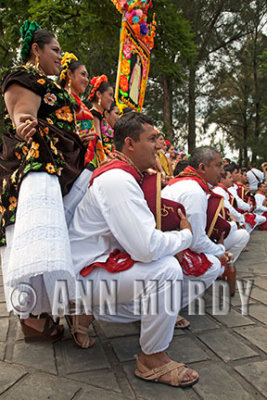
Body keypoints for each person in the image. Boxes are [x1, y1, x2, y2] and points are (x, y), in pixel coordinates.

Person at [68, 112, 199, 388]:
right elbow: (146, 248)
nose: (160, 146)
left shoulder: (123, 174)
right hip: (86, 275)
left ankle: (84, 311)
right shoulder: (117, 179)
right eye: (152, 139)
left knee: (160, 298)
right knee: (167, 272)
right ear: (130, 143)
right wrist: (185, 237)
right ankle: (152, 360)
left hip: (94, 269)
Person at [0, 20, 93, 345]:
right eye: (55, 49)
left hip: (54, 163)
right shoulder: (24, 77)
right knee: (41, 237)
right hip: (38, 169)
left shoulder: (44, 80)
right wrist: (25, 125)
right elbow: (22, 116)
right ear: (36, 50)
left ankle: (42, 313)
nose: (60, 56)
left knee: (60, 234)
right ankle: (35, 317)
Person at [162, 146, 233, 301]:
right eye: (218, 165)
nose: (222, 171)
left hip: (167, 244)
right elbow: (196, 241)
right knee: (214, 265)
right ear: (202, 167)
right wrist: (220, 251)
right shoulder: (194, 191)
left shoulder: (182, 182)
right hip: (171, 251)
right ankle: (168, 307)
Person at [58, 52, 98, 226]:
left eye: (87, 76)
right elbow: (61, 131)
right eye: (83, 74)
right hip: (73, 163)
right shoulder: (62, 99)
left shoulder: (77, 102)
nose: (86, 79)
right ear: (69, 74)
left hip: (86, 160)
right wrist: (78, 139)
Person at [212, 168, 250, 261]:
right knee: (244, 234)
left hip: (224, 225)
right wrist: (239, 220)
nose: (232, 179)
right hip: (216, 234)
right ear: (222, 179)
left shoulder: (224, 190)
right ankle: (227, 264)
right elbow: (229, 210)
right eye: (229, 177)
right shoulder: (219, 191)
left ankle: (227, 262)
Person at [87, 75, 114, 163]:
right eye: (110, 95)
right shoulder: (95, 114)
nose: (112, 99)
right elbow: (97, 140)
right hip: (96, 161)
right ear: (99, 94)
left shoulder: (100, 116)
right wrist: (105, 160)